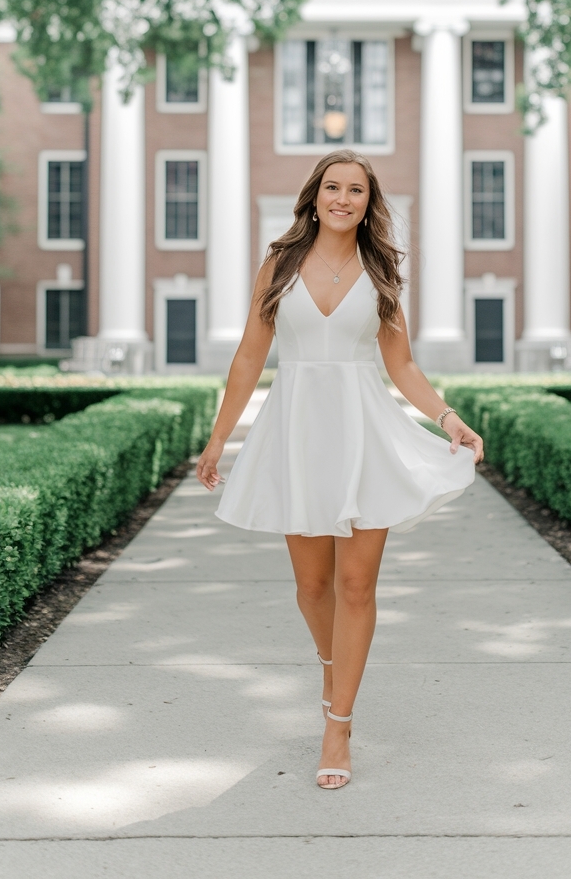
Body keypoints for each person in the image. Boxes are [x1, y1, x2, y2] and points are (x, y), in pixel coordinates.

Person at [196, 150, 483, 789]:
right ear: (315, 194)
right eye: (333, 187)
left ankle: (339, 723)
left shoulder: (380, 271)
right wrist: (219, 441)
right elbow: (250, 355)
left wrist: (449, 419)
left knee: (356, 587)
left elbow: (402, 365)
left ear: (367, 201)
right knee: (311, 587)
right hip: (296, 433)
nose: (343, 198)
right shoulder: (281, 263)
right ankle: (332, 664)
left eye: (356, 190)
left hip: (364, 435)